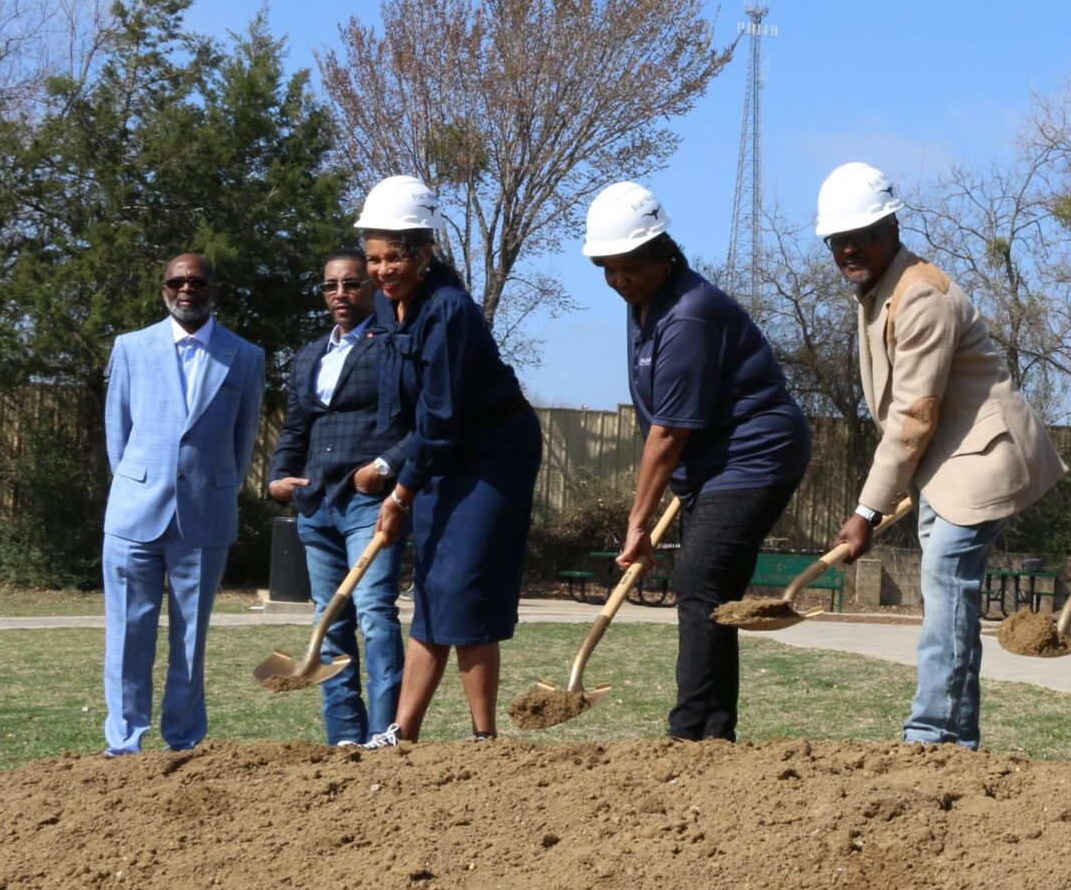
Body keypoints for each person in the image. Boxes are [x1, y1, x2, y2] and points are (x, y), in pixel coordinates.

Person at [818, 161, 1065, 749]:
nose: (850, 249)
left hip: (980, 461)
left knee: (947, 584)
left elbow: (913, 417)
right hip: (945, 467)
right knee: (943, 590)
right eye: (839, 241)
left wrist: (867, 511)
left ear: (893, 228)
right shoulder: (880, 288)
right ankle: (954, 736)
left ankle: (935, 736)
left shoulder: (921, 294)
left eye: (864, 236)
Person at [583, 181, 810, 740]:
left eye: (628, 267)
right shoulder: (647, 305)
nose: (618, 281)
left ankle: (691, 733)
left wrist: (638, 522)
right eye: (607, 269)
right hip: (713, 464)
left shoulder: (688, 316)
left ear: (662, 253)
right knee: (713, 591)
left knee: (699, 580)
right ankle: (714, 734)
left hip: (754, 453)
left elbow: (667, 432)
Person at [354, 176, 542, 749]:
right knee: (435, 586)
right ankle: (401, 733)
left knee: (463, 584)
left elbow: (444, 417)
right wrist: (392, 468)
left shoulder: (450, 311)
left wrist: (400, 493)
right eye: (374, 259)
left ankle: (482, 735)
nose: (382, 271)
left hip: (492, 456)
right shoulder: (391, 310)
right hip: (444, 454)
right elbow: (410, 414)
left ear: (424, 252)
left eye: (394, 258)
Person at [101, 253, 265, 755]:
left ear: (213, 288)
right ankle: (124, 742)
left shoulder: (245, 355)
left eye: (197, 280)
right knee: (128, 634)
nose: (187, 288)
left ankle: (184, 741)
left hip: (206, 512)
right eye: (178, 281)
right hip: (135, 511)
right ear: (163, 289)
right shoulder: (131, 348)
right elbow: (117, 433)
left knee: (191, 639)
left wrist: (215, 487)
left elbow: (245, 441)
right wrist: (140, 481)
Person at [267, 246, 412, 747]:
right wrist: (277, 477)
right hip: (316, 504)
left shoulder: (392, 343)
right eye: (331, 286)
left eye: (351, 284)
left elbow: (422, 421)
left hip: (369, 503)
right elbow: (296, 428)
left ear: (371, 287)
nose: (341, 294)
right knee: (329, 624)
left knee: (374, 614)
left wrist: (386, 467)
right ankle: (344, 737)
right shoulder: (310, 354)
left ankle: (384, 731)